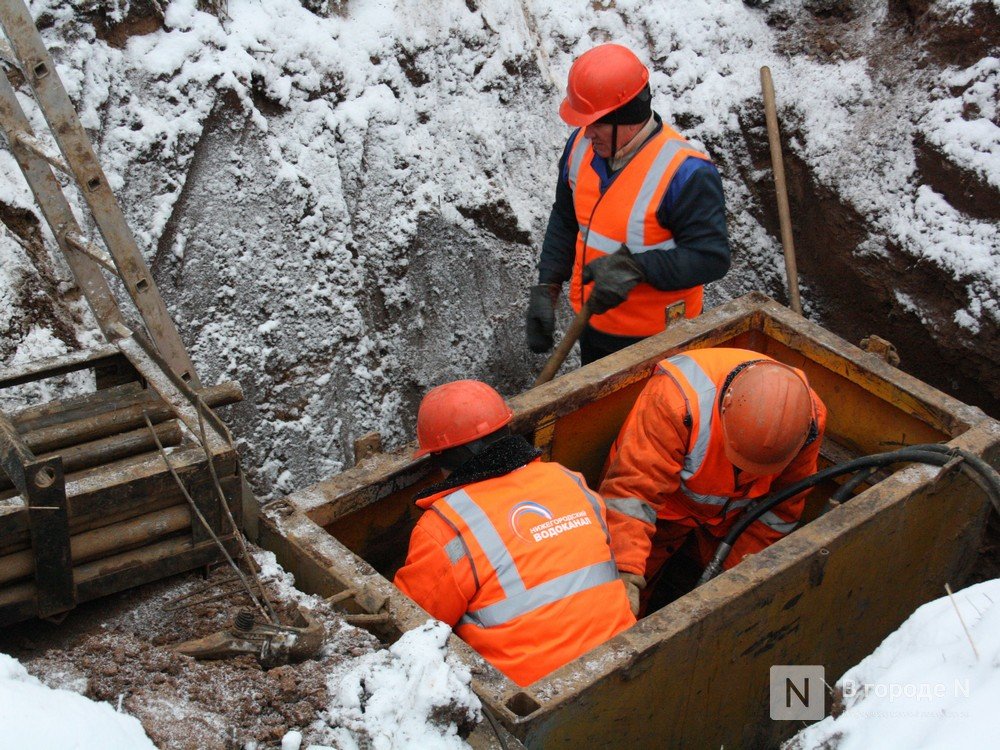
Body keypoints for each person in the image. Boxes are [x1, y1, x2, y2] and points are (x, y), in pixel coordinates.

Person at [393, 379, 636, 686]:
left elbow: (410, 623)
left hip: (529, 695)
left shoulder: (444, 527)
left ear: (439, 458)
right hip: (621, 660)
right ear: (507, 431)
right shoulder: (567, 479)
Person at [526, 43, 731, 365]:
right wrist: (548, 285)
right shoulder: (582, 147)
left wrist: (636, 267)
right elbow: (566, 217)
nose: (587, 132)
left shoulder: (685, 173)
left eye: (597, 123)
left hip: (660, 343)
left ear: (628, 117)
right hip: (594, 328)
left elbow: (711, 258)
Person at [599, 349, 827, 612]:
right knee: (623, 599)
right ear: (724, 410)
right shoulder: (673, 401)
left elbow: (780, 510)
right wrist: (625, 570)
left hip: (729, 525)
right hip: (658, 517)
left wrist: (737, 574)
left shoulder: (807, 422)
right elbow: (633, 492)